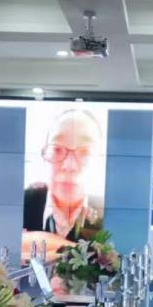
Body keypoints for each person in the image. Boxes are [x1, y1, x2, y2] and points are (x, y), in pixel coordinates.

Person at [21, 108, 105, 258]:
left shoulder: (108, 212)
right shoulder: (22, 202)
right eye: (57, 149)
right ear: (45, 154)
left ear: (100, 160)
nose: (69, 165)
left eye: (84, 152)